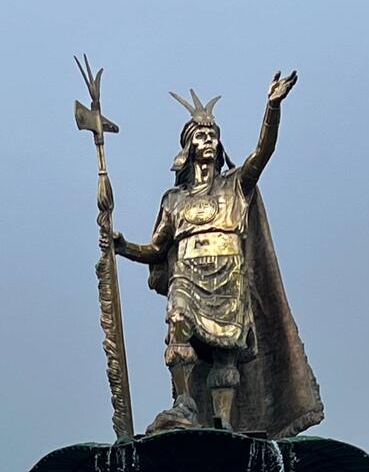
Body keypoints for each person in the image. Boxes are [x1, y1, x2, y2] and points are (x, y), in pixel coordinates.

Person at [113, 72, 321, 438]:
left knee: (226, 353)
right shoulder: (173, 200)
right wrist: (122, 245)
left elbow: (264, 153)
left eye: (213, 135)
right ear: (188, 147)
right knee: (178, 320)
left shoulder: (236, 185)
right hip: (187, 276)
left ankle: (224, 421)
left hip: (229, 274)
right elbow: (157, 249)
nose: (208, 140)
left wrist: (272, 107)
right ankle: (184, 404)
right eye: (200, 136)